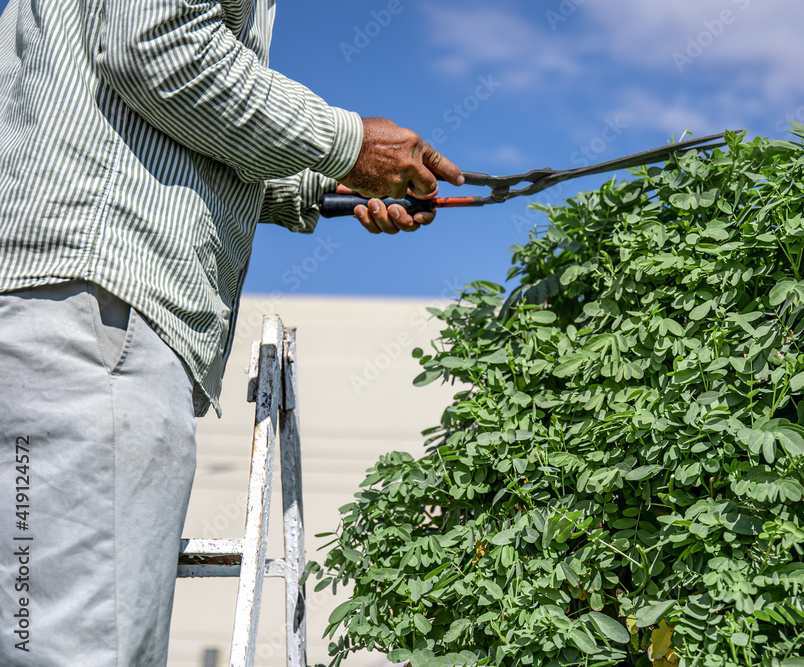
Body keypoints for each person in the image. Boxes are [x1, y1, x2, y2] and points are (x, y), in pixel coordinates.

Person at [0, 0, 462, 664]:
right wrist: (348, 143)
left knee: (35, 633)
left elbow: (176, 113)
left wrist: (332, 176)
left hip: (56, 304)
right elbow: (155, 46)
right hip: (97, 307)